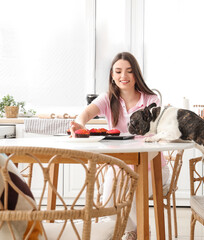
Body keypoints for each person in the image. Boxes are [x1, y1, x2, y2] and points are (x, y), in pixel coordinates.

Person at [70, 52, 170, 240]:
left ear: (136, 75)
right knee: (109, 198)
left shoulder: (150, 99)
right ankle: (129, 232)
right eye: (118, 71)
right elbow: (85, 114)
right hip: (119, 166)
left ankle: (138, 232)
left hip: (152, 167)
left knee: (127, 190)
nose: (123, 76)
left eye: (129, 71)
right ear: (112, 75)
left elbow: (153, 135)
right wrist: (79, 124)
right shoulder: (108, 99)